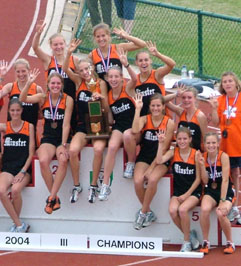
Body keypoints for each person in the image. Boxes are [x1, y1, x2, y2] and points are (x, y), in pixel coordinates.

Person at [210, 71, 241, 225]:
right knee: (232, 177)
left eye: (230, 81)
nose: (227, 84)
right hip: (227, 147)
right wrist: (213, 108)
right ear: (222, 85)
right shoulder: (220, 100)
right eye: (224, 82)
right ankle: (234, 206)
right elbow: (216, 122)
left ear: (236, 83)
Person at [19, 71, 74, 214]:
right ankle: (54, 197)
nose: (55, 86)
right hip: (48, 137)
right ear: (48, 85)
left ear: (62, 85)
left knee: (63, 159)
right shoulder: (43, 98)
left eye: (58, 83)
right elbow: (22, 98)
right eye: (52, 83)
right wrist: (30, 83)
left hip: (63, 137)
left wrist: (63, 144)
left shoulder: (68, 100)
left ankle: (51, 198)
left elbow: (66, 124)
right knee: (43, 161)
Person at [63, 39, 111, 203]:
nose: (84, 72)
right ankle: (77, 185)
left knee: (98, 150)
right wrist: (69, 52)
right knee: (73, 150)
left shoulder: (100, 83)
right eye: (81, 70)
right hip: (83, 125)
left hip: (98, 123)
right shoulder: (78, 83)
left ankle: (93, 186)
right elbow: (64, 69)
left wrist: (100, 97)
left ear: (92, 68)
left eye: (87, 68)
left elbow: (105, 106)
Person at [0, 90, 34, 233]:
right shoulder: (5, 126)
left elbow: (31, 153)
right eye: (12, 110)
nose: (15, 113)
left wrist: (23, 171)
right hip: (7, 168)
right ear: (9, 111)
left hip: (23, 169)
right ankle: (19, 224)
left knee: (15, 190)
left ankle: (17, 224)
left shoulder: (29, 126)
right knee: (1, 190)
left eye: (17, 110)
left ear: (21, 111)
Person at [98, 50, 138, 201]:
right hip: (119, 126)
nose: (114, 79)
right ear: (107, 79)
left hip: (134, 126)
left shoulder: (127, 88)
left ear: (121, 78)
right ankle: (105, 184)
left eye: (116, 76)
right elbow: (110, 119)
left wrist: (126, 65)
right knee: (112, 146)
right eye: (111, 77)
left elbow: (135, 79)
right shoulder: (108, 95)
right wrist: (99, 101)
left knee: (128, 135)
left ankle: (131, 163)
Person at [131, 93, 174, 230]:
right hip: (145, 156)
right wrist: (137, 109)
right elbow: (134, 129)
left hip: (161, 159)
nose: (156, 108)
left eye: (158, 106)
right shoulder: (145, 119)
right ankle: (148, 212)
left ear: (163, 107)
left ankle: (143, 213)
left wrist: (151, 168)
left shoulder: (169, 122)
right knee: (138, 181)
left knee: (152, 179)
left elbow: (165, 148)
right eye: (153, 106)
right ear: (149, 107)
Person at [156, 127, 202, 252]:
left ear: (190, 139)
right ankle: (190, 235)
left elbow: (198, 179)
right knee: (172, 211)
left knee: (182, 210)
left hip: (193, 192)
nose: (182, 141)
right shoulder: (173, 152)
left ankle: (186, 242)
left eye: (185, 139)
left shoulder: (196, 154)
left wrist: (187, 195)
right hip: (178, 191)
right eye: (179, 139)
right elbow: (159, 160)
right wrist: (160, 143)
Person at [198, 132, 236, 254]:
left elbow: (225, 179)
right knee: (204, 210)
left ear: (218, 144)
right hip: (211, 190)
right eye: (208, 143)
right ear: (204, 145)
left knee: (220, 213)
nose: (211, 145)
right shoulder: (203, 157)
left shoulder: (223, 157)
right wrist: (202, 166)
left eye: (213, 143)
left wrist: (222, 200)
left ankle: (230, 242)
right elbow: (204, 180)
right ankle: (206, 241)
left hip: (225, 190)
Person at [89, 23, 145, 88]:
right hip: (103, 91)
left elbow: (142, 44)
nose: (101, 39)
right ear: (95, 38)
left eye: (103, 35)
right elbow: (91, 76)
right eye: (98, 36)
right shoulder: (92, 55)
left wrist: (127, 36)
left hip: (119, 89)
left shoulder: (117, 48)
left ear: (108, 36)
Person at [32, 21, 78, 100]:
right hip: (52, 102)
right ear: (51, 46)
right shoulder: (48, 60)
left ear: (65, 44)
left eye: (61, 44)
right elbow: (35, 48)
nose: (59, 47)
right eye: (55, 45)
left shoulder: (74, 60)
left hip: (70, 101)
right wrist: (38, 33)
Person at [0, 58, 43, 126]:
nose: (21, 74)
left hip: (30, 132)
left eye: (23, 71)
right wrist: (1, 76)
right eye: (18, 71)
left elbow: (42, 114)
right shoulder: (10, 87)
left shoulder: (37, 89)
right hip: (12, 132)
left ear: (28, 70)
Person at [134, 41, 176, 116]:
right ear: (136, 63)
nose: (143, 63)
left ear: (150, 61)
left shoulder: (157, 74)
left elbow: (172, 64)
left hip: (161, 119)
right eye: (140, 60)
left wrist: (158, 54)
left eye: (146, 60)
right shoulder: (134, 80)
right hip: (144, 120)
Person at [168, 86, 208, 151]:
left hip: (194, 155)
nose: (186, 100)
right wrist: (176, 94)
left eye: (189, 98)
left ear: (195, 98)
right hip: (180, 153)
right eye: (183, 97)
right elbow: (164, 101)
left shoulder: (200, 116)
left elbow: (205, 139)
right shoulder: (181, 112)